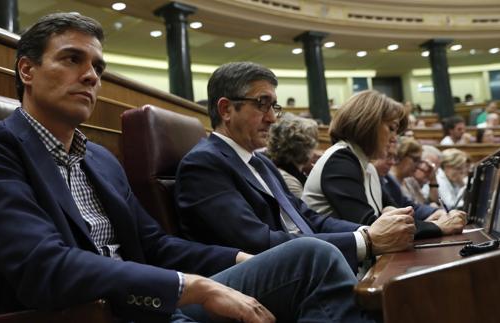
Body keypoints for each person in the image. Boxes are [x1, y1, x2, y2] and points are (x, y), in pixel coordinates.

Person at [0, 13, 370, 322]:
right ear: (27, 70)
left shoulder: (100, 159)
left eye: (98, 67)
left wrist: (240, 258)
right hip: (81, 314)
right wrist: (191, 287)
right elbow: (42, 267)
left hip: (152, 306)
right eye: (72, 59)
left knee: (309, 255)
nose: (91, 76)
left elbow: (157, 247)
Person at [176, 62, 416, 274]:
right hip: (268, 281)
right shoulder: (204, 163)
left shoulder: (260, 162)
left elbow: (308, 218)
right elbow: (256, 242)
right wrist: (365, 241)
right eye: (262, 104)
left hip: (312, 266)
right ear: (226, 109)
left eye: (273, 106)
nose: (272, 118)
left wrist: (371, 230)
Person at [302, 90, 466, 239]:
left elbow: (397, 211)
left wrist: (434, 216)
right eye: (392, 128)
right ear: (368, 124)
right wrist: (437, 227)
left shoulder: (367, 166)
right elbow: (372, 226)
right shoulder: (340, 161)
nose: (395, 138)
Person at [373, 143, 462, 228]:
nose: (418, 166)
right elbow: (400, 217)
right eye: (415, 160)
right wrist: (428, 224)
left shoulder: (410, 182)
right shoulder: (388, 180)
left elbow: (415, 207)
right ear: (401, 157)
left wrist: (436, 212)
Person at [265, 114, 318, 198]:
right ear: (305, 147)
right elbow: (305, 209)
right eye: (315, 141)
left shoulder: (281, 169)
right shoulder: (289, 182)